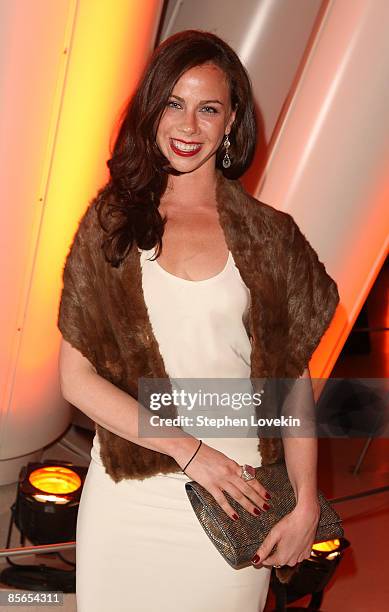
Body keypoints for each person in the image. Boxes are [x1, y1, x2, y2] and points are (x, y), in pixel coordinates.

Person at [58, 30, 339, 612]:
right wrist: (191, 451)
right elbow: (76, 379)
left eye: (208, 108)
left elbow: (292, 384)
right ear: (152, 111)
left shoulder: (270, 236)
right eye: (173, 104)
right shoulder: (110, 223)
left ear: (232, 120)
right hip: (128, 495)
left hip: (241, 496)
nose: (188, 126)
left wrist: (306, 501)